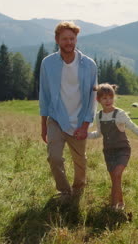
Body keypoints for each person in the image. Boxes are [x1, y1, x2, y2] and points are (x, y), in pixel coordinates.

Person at [39, 21, 98, 202]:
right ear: (57, 40)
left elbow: (92, 98)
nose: (69, 42)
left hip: (80, 121)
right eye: (64, 39)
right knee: (54, 157)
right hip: (56, 118)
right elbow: (44, 94)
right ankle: (64, 192)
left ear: (76, 40)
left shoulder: (89, 65)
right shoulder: (48, 63)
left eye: (72, 38)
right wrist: (43, 125)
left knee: (80, 161)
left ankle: (78, 190)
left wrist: (86, 125)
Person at [87, 83, 138, 211]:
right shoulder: (99, 116)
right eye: (104, 98)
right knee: (116, 179)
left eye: (110, 97)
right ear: (98, 100)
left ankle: (112, 206)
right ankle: (121, 204)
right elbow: (98, 134)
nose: (108, 101)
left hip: (122, 150)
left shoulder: (120, 114)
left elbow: (134, 127)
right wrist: (85, 135)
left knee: (116, 174)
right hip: (108, 152)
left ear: (114, 97)